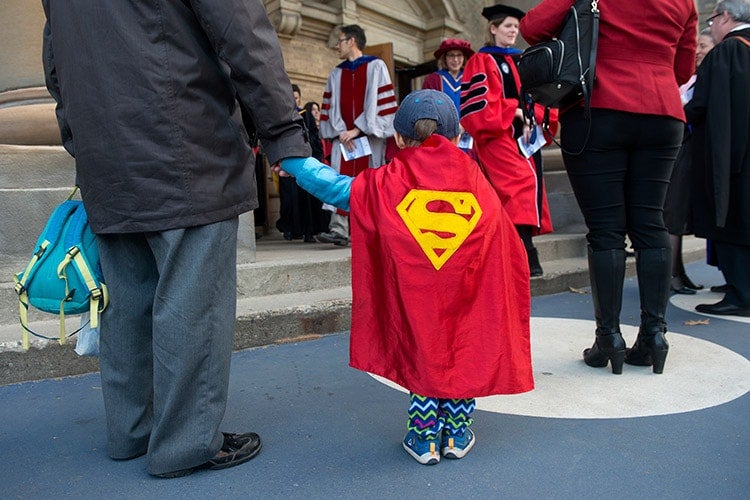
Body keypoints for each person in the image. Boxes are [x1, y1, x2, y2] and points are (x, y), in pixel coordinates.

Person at [42, 0, 311, 477]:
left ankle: (131, 432)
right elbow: (243, 32)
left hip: (107, 154)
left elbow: (56, 60)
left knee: (125, 302)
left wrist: (80, 140)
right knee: (193, 302)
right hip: (187, 145)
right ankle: (185, 445)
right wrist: (284, 135)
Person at [278, 90, 533, 465]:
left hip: (417, 294)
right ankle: (457, 433)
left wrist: (296, 164)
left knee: (422, 351)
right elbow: (501, 239)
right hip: (466, 289)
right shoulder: (477, 182)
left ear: (398, 138)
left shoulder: (385, 183)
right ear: (456, 135)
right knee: (463, 347)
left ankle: (424, 437)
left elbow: (337, 187)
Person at [521, 0, 698, 374]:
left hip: (599, 108)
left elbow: (533, 26)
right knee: (651, 224)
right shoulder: (684, 1)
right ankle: (654, 335)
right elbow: (683, 68)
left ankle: (609, 338)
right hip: (662, 110)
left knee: (606, 232)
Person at [461, 4, 555, 277]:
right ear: (493, 29)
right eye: (508, 26)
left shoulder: (524, 59)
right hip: (497, 136)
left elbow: (542, 98)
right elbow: (477, 107)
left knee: (528, 189)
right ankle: (525, 254)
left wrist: (534, 118)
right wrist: (515, 111)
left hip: (527, 139)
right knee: (519, 188)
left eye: (516, 27)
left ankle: (517, 253)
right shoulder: (482, 61)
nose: (514, 31)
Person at [686, 0, 750, 317]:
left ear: (726, 17)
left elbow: (701, 105)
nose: (710, 27)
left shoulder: (728, 52)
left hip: (732, 160)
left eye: (712, 20)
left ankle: (742, 293)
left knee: (732, 220)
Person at [317, 24, 398, 246]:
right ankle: (339, 230)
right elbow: (330, 107)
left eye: (340, 41)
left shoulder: (376, 66)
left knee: (369, 181)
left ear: (351, 41)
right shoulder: (336, 73)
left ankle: (370, 230)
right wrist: (341, 131)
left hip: (368, 139)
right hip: (344, 139)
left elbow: (382, 105)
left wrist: (358, 129)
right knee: (340, 179)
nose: (337, 46)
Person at [664, 29, 715, 295]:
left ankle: (679, 272)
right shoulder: (683, 78)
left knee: (679, 215)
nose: (697, 51)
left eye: (703, 45)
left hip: (689, 150)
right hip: (678, 150)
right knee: (673, 213)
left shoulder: (704, 77)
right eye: (695, 46)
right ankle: (671, 275)